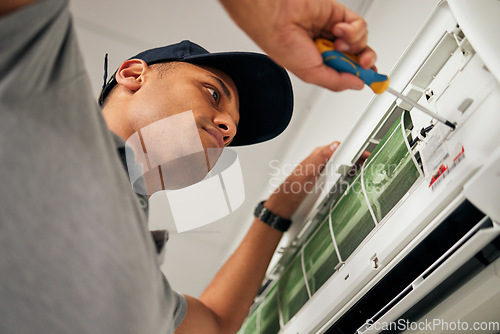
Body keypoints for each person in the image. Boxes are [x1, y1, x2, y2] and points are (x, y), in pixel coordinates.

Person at [0, 0, 375, 333]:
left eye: (233, 128)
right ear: (133, 75)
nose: (228, 127)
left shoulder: (141, 276)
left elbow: (215, 322)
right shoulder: (41, 106)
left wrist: (277, 209)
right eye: (213, 93)